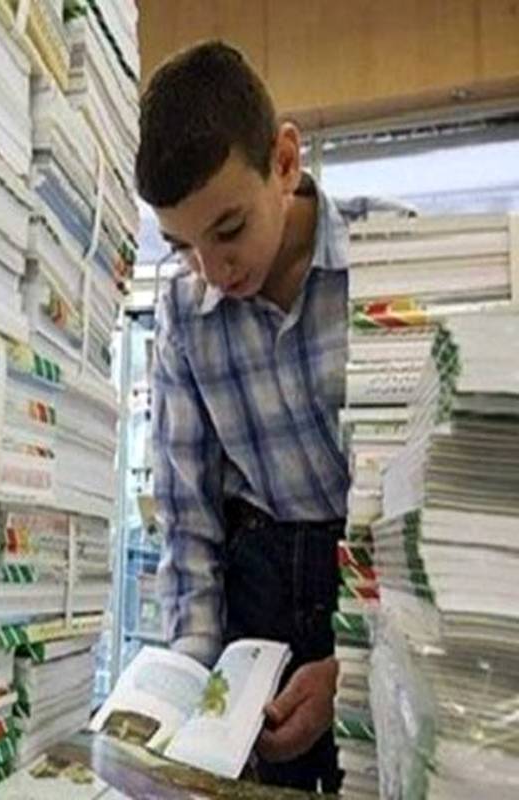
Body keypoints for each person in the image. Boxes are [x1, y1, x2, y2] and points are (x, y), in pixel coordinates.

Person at [138, 40, 409, 792]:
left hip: (375, 584)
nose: (212, 272)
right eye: (181, 246)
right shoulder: (184, 309)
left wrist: (355, 666)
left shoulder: (393, 257)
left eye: (228, 230)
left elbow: (429, 511)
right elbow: (188, 521)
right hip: (257, 592)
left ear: (285, 162)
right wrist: (190, 690)